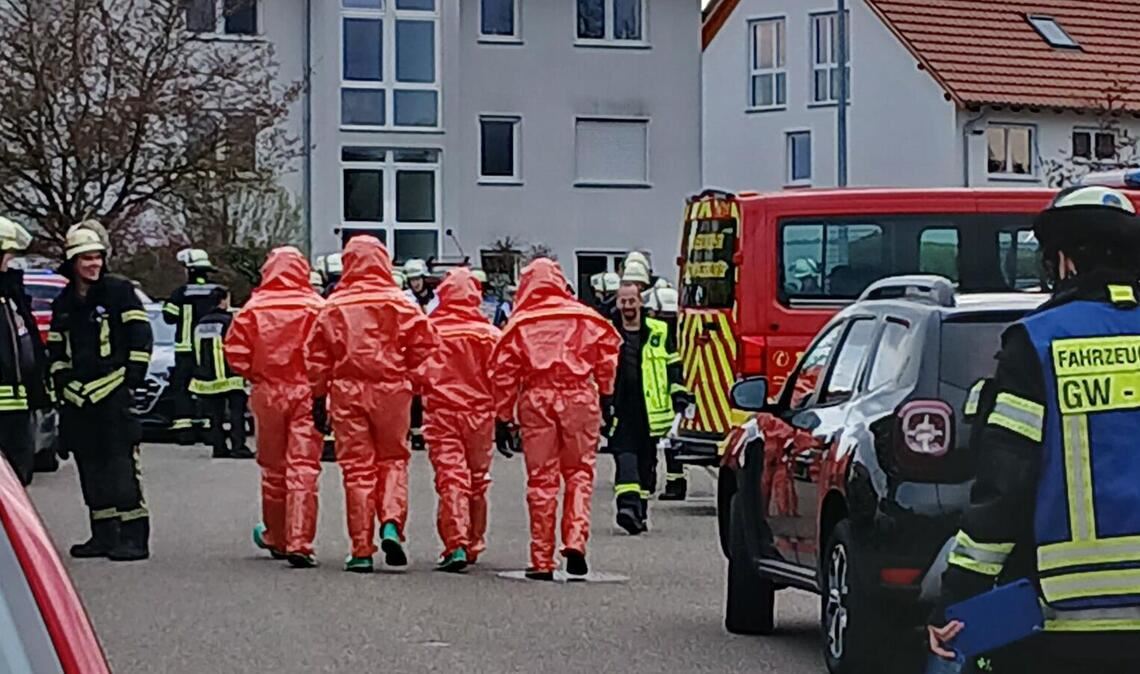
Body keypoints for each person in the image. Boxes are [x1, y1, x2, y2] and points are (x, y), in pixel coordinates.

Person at [928, 185, 1140, 673]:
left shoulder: (1039, 344)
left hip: (1070, 623)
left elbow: (1004, 491)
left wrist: (957, 597)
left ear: (1064, 261)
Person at [305, 236, 438, 573]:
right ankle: (392, 522)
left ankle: (361, 548)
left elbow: (317, 357)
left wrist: (319, 398)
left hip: (348, 390)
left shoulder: (332, 306)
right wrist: (410, 379)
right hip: (392, 389)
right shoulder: (401, 303)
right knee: (393, 459)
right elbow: (427, 347)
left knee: (357, 469)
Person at [490, 258, 621, 580]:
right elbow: (608, 356)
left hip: (538, 398)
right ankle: (576, 541)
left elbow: (504, 372)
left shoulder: (521, 322)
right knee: (579, 472)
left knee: (541, 480)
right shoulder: (586, 318)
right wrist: (605, 393)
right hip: (580, 396)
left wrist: (503, 416)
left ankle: (542, 559)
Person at [48, 221, 152, 561]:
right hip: (79, 400)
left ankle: (134, 538)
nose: (93, 264)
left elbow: (140, 335)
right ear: (73, 263)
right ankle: (103, 535)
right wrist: (63, 382)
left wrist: (132, 378)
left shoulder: (119, 291)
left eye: (97, 257)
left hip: (113, 394)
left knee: (120, 468)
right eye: (85, 259)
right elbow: (57, 350)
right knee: (90, 468)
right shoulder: (64, 302)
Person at [225, 246, 325, 568]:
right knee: (303, 467)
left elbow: (235, 354)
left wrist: (259, 374)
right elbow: (329, 350)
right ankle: (300, 540)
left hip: (268, 392)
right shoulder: (317, 307)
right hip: (307, 391)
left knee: (273, 468)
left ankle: (277, 536)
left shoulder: (253, 309)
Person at [419, 268, 501, 572]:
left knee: (451, 476)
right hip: (480, 414)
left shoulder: (430, 330)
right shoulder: (490, 334)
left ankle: (455, 542)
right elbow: (500, 376)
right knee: (478, 479)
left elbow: (417, 372)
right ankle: (474, 542)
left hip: (442, 412)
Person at [607, 283, 689, 534]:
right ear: (618, 303)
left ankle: (639, 512)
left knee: (647, 464)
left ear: (640, 303)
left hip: (651, 411)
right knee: (625, 458)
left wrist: (678, 393)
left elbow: (673, 365)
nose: (628, 306)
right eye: (624, 301)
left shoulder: (659, 331)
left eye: (632, 301)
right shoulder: (609, 333)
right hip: (620, 409)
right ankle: (627, 508)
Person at [0, 216, 51, 486]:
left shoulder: (10, 297)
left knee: (16, 485)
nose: (9, 263)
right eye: (7, 255)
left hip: (18, 409)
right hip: (8, 410)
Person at [163, 248, 220, 444]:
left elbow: (168, 317)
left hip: (184, 350)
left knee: (181, 390)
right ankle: (209, 431)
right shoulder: (215, 292)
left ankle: (184, 432)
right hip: (208, 350)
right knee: (208, 390)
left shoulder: (180, 293)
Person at [189, 286, 252, 460]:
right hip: (229, 377)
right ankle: (238, 447)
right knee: (236, 414)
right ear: (223, 301)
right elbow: (238, 346)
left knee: (214, 416)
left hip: (207, 379)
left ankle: (219, 447)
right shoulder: (229, 321)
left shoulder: (201, 323)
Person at [643, 283, 689, 501]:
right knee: (669, 444)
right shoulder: (676, 331)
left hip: (660, 401)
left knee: (662, 444)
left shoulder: (656, 333)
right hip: (664, 400)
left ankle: (668, 482)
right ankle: (672, 483)